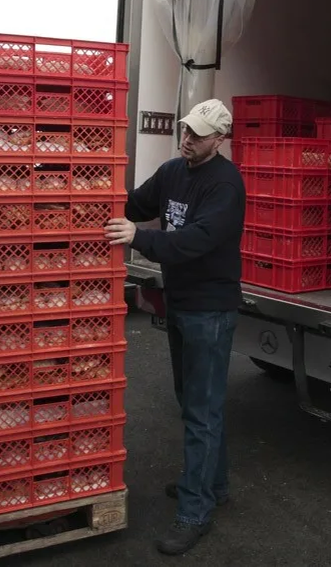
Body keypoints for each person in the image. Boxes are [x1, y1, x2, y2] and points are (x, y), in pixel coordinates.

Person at [104, 98, 246, 556]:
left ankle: (195, 512)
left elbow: (197, 240)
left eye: (198, 134)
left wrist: (140, 238)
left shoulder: (226, 184)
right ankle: (213, 485)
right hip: (182, 303)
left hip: (211, 310)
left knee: (202, 411)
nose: (187, 139)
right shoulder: (171, 172)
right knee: (193, 402)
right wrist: (89, 190)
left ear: (219, 139)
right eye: (186, 130)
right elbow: (134, 202)